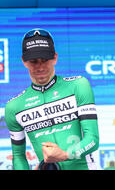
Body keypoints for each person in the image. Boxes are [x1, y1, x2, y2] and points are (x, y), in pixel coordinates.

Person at [5, 28, 99, 170]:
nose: (40, 67)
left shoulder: (78, 85)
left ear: (55, 57)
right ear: (24, 61)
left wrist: (65, 154)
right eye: (34, 61)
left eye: (45, 60)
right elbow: (18, 156)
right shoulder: (14, 107)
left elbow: (93, 139)